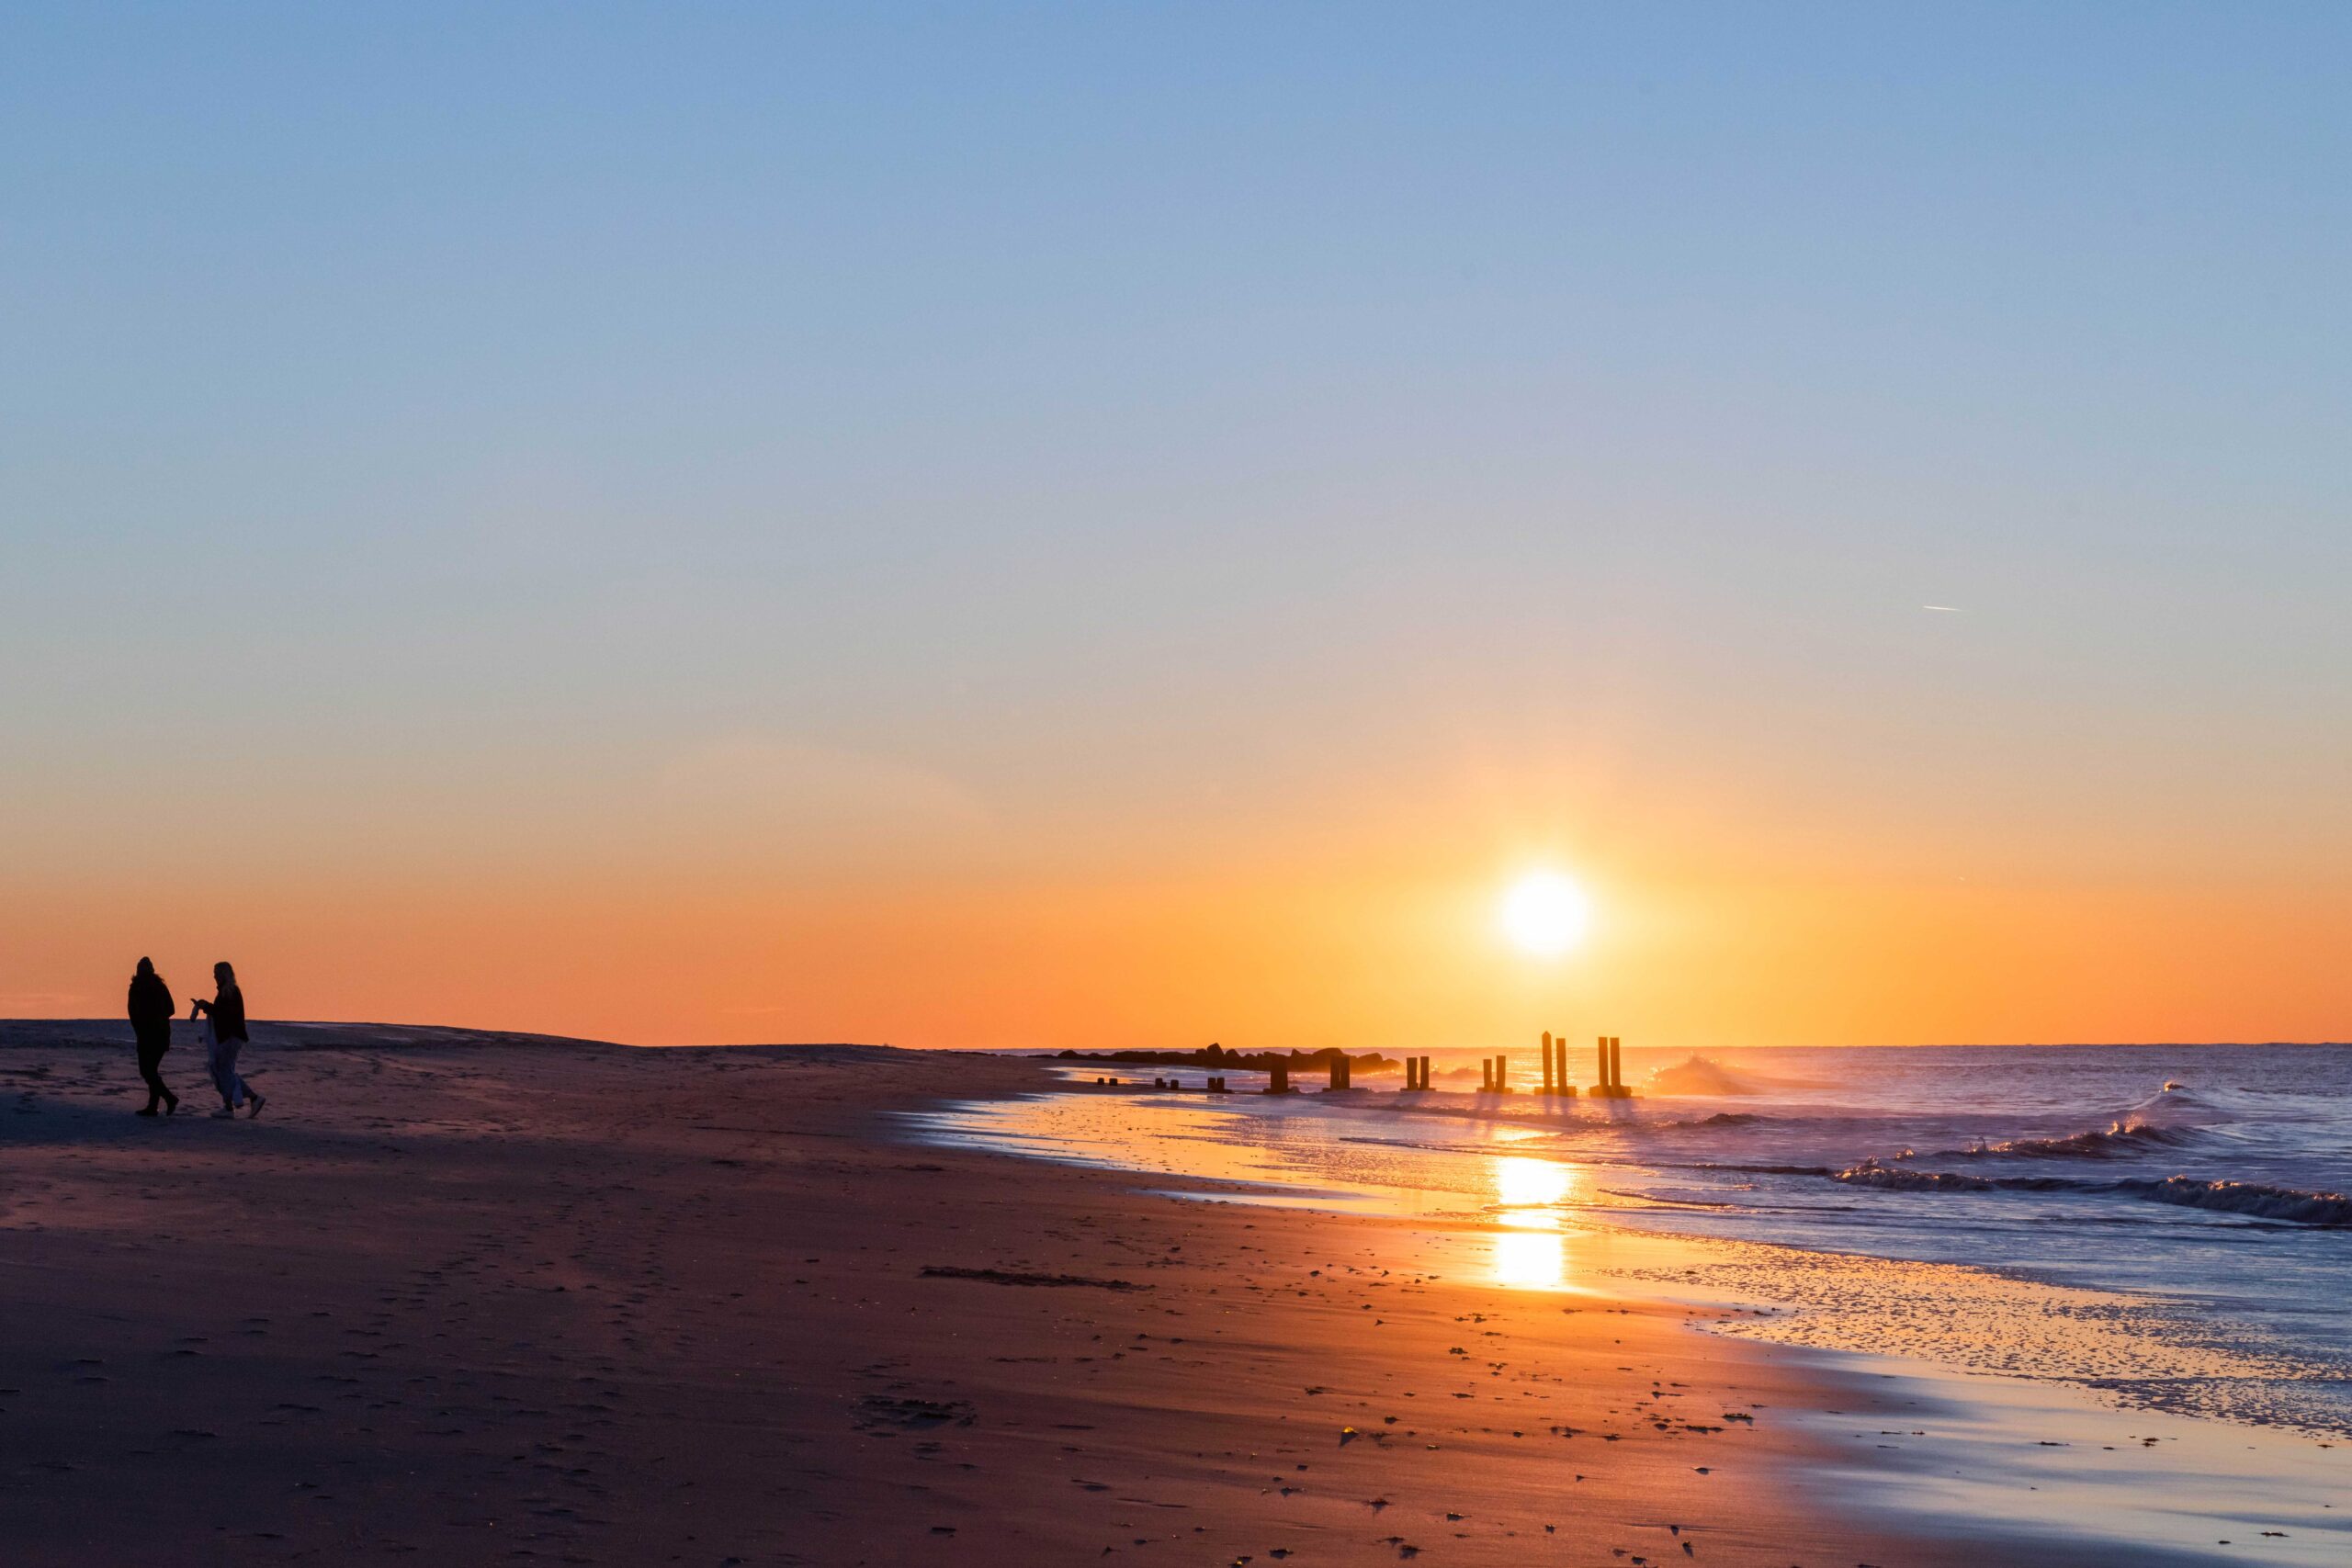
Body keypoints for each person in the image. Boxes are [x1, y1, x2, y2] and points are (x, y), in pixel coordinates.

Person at [189, 961, 265, 1119]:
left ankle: (250, 1099)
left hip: (231, 1037)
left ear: (223, 974)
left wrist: (206, 1006)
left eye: (216, 973)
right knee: (221, 1070)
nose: (214, 976)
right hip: (229, 1036)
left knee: (223, 1070)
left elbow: (224, 1014)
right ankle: (230, 1106)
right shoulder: (226, 992)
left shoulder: (229, 992)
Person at [127, 957, 178, 1116]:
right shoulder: (159, 986)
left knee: (147, 1071)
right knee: (151, 1070)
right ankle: (153, 1106)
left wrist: (146, 1021)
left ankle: (168, 1099)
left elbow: (133, 1013)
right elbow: (171, 1009)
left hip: (148, 1035)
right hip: (159, 1034)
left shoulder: (137, 987)